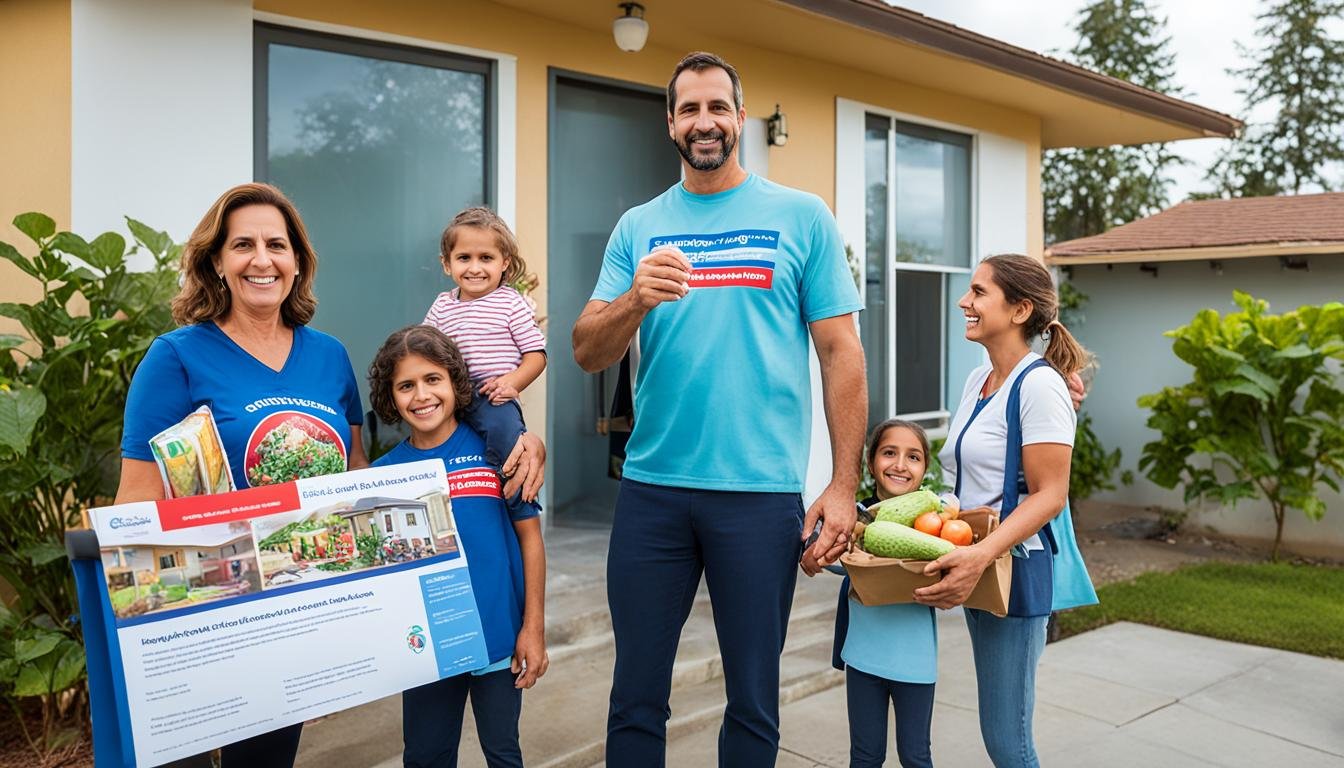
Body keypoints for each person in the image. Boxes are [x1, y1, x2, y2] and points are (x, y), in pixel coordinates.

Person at [571, 51, 866, 767]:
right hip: (652, 493)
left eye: (718, 107)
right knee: (636, 696)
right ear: (670, 122)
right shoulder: (638, 227)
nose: (705, 122)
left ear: (740, 116)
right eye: (690, 109)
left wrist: (841, 484)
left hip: (759, 496)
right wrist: (635, 299)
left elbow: (841, 353)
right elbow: (586, 349)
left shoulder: (801, 216)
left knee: (753, 702)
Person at [115, 182, 369, 767]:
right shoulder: (176, 356)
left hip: (298, 607)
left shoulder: (329, 355)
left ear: (298, 262)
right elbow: (134, 501)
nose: (262, 259)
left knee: (266, 761)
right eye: (243, 245)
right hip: (204, 610)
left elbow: (353, 477)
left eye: (277, 245)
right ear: (217, 263)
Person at [912, 253, 1088, 767]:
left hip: (1011, 567)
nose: (964, 301)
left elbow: (1050, 494)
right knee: (1002, 730)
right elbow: (970, 482)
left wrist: (979, 555)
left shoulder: (1040, 385)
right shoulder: (978, 381)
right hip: (979, 562)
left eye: (979, 292)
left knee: (1008, 739)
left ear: (1019, 310)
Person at [368, 324, 547, 768]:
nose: (422, 395)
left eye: (433, 380)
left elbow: (530, 538)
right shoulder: (383, 473)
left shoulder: (497, 450)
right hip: (426, 646)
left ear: (455, 382)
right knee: (426, 756)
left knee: (503, 753)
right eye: (406, 385)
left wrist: (533, 628)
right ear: (391, 398)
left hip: (499, 640)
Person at [423, 207, 546, 507]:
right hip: (451, 396)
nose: (475, 267)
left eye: (486, 258)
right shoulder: (442, 306)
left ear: (504, 263)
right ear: (446, 264)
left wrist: (512, 383)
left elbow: (536, 355)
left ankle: (515, 496)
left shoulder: (511, 303)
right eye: (464, 258)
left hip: (493, 396)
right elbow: (423, 349)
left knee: (505, 435)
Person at [832, 420, 938, 768]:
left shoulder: (934, 522)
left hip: (915, 654)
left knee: (915, 756)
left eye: (913, 457)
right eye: (889, 453)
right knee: (864, 757)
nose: (900, 465)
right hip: (863, 652)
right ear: (870, 462)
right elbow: (831, 558)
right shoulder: (852, 518)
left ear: (925, 469)